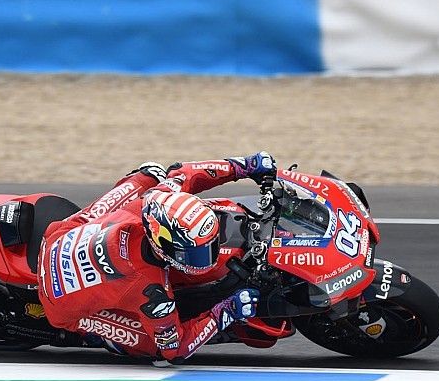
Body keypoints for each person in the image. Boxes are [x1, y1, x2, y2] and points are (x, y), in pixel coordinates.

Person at [36, 152, 276, 363]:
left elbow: (184, 173)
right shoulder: (152, 291)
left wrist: (243, 166)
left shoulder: (154, 200)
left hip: (58, 235)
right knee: (154, 347)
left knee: (151, 174)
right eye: (196, 254)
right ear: (163, 246)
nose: (207, 258)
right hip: (57, 303)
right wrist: (226, 312)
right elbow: (177, 350)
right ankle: (100, 337)